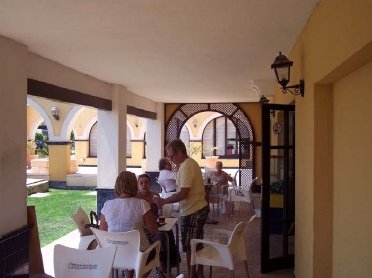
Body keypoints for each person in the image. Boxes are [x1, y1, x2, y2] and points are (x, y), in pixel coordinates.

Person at [153, 139, 209, 278]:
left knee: (190, 246)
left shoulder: (187, 165)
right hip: (196, 208)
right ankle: (198, 273)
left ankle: (192, 275)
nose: (170, 160)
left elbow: (183, 193)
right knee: (197, 243)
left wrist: (164, 201)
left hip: (193, 210)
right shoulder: (186, 165)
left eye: (171, 156)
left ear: (179, 152)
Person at [99, 171, 158, 278]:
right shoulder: (142, 204)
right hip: (137, 254)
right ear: (135, 185)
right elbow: (154, 230)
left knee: (127, 244)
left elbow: (102, 232)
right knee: (153, 251)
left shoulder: (107, 205)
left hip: (114, 254)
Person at [137, 173, 181, 277]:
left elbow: (160, 214)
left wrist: (160, 207)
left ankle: (167, 264)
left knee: (168, 234)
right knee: (160, 236)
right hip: (142, 228)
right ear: (138, 185)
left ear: (150, 184)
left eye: (146, 182)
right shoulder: (136, 197)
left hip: (155, 224)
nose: (144, 185)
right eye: (141, 183)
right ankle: (161, 267)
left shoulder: (155, 195)